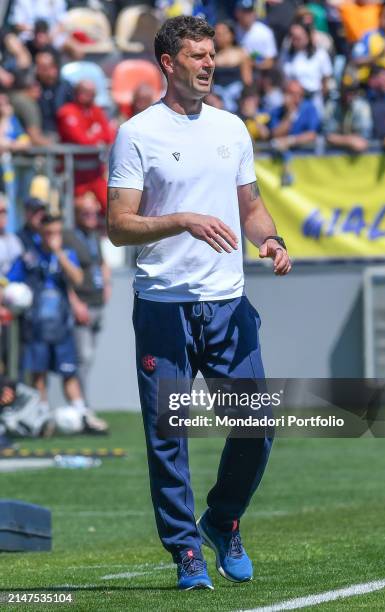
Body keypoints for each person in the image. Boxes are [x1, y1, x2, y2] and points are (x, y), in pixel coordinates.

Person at [107, 15, 291, 591]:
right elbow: (118, 225)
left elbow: (251, 205)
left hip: (227, 304)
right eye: (197, 56)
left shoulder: (233, 128)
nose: (210, 63)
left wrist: (270, 239)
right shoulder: (138, 133)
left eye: (212, 54)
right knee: (169, 437)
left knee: (257, 425)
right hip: (164, 305)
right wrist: (180, 220)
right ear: (169, 62)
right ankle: (186, 550)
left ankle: (222, 518)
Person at [8, 214, 109, 434]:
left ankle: (81, 414)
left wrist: (58, 253)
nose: (53, 237)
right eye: (49, 233)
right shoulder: (28, 257)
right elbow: (11, 282)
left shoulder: (66, 254)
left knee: (68, 372)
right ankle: (42, 417)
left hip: (61, 325)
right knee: (39, 373)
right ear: (40, 233)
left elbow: (78, 279)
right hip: (35, 327)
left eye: (57, 233)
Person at [63, 192, 111, 402]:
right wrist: (74, 302)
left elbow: (101, 262)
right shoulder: (69, 237)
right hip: (82, 304)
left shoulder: (93, 236)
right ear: (76, 215)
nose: (93, 217)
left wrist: (107, 283)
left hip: (97, 302)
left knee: (89, 357)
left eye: (95, 213)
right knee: (84, 357)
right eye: (87, 214)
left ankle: (84, 402)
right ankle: (82, 404)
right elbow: (64, 274)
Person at [57, 80, 116, 213]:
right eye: (84, 92)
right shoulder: (67, 111)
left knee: (111, 208)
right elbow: (81, 140)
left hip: (95, 174)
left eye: (92, 93)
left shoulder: (96, 110)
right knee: (79, 210)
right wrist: (95, 134)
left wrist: (91, 135)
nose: (89, 96)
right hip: (74, 175)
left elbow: (108, 136)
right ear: (77, 93)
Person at [280, 20, 333, 116]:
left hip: (313, 99)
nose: (295, 41)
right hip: (292, 102)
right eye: (293, 37)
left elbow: (326, 80)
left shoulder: (320, 55)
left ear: (308, 36)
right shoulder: (286, 55)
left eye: (298, 38)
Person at [212, 20, 252, 113]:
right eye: (217, 34)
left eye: (223, 33)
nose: (219, 37)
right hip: (218, 97)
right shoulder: (211, 55)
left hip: (237, 96)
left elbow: (247, 80)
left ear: (232, 35)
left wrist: (247, 100)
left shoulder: (241, 53)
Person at [323, 80, 373, 152]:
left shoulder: (363, 106)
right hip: (334, 154)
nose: (348, 96)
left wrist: (339, 139)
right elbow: (328, 136)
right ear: (340, 92)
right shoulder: (331, 106)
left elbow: (364, 138)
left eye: (352, 92)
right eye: (346, 92)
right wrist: (350, 141)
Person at [35, 50, 74, 135]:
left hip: (63, 133)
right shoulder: (34, 87)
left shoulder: (65, 87)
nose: (39, 72)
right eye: (38, 68)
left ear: (54, 69)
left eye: (43, 68)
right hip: (42, 133)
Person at [235, 0, 277, 71]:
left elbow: (270, 61)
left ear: (254, 13)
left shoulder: (265, 32)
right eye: (244, 12)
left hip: (260, 72)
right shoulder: (232, 31)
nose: (247, 15)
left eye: (249, 12)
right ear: (237, 13)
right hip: (235, 72)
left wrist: (250, 61)